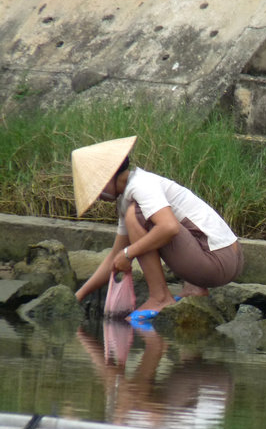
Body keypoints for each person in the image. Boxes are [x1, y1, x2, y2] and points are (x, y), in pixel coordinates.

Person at [72, 135, 244, 322]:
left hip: (218, 261)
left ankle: (160, 297)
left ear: (107, 180)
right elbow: (116, 255)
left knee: (136, 216)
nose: (99, 197)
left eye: (97, 190)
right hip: (227, 258)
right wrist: (79, 296)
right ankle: (195, 288)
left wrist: (129, 253)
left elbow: (169, 227)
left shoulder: (141, 186)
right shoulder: (129, 196)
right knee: (135, 216)